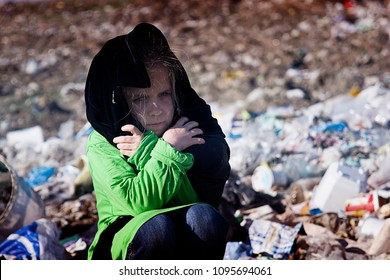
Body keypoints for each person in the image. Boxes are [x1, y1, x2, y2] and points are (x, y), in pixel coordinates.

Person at [84, 22, 231, 260]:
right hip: (126, 237)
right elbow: (139, 204)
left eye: (164, 94)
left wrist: (150, 149)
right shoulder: (103, 142)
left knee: (204, 217)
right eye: (140, 99)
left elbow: (196, 197)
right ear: (119, 101)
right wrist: (166, 150)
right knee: (156, 227)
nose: (156, 110)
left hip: (181, 232)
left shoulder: (181, 128)